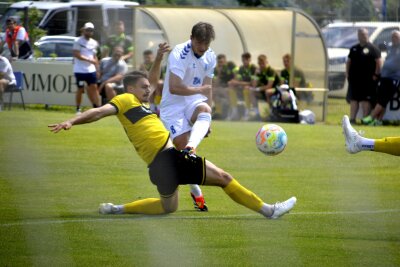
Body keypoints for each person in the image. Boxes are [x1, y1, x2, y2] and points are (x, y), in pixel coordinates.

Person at [48, 42, 297, 219]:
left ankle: (117, 209)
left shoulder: (141, 106)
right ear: (131, 88)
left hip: (158, 167)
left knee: (168, 208)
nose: (149, 90)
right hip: (168, 159)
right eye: (143, 87)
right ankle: (268, 210)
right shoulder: (124, 100)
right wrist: (74, 120)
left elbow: (154, 81)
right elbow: (100, 112)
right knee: (224, 179)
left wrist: (158, 58)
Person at [160, 22, 217, 211]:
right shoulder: (179, 53)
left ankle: (192, 146)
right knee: (182, 150)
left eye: (206, 44)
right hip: (173, 105)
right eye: (200, 43)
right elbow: (174, 87)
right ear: (191, 37)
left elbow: (208, 87)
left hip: (193, 99)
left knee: (205, 112)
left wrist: (207, 119)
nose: (203, 48)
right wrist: (199, 89)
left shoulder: (210, 56)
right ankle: (197, 194)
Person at [361, 30, 400, 126]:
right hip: (385, 77)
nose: (394, 38)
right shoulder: (390, 46)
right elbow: (384, 44)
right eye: (393, 37)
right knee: (382, 100)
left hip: (393, 78)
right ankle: (378, 121)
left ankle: (371, 117)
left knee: (383, 100)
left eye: (396, 37)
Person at [346, 28, 382, 124]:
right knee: (354, 100)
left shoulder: (373, 48)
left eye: (364, 34)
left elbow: (378, 62)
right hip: (355, 79)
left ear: (367, 35)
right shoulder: (354, 48)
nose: (362, 36)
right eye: (360, 34)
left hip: (368, 80)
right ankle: (352, 119)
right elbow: (348, 62)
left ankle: (365, 119)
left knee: (365, 100)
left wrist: (376, 74)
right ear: (358, 36)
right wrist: (347, 73)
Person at [73, 22, 100, 114]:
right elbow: (76, 54)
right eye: (88, 30)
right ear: (83, 30)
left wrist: (97, 68)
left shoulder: (94, 42)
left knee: (94, 88)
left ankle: (96, 107)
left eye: (91, 30)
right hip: (79, 70)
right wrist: (90, 60)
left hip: (91, 70)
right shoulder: (78, 41)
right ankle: (78, 109)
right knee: (80, 89)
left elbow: (95, 56)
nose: (89, 32)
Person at [227, 52, 257, 121]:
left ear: (249, 60)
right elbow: (238, 80)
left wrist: (239, 83)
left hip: (251, 88)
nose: (244, 62)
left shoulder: (253, 68)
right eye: (243, 60)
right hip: (241, 87)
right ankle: (234, 112)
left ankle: (247, 112)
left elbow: (252, 83)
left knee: (247, 89)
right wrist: (233, 82)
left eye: (246, 60)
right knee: (231, 88)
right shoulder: (241, 68)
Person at [139, 49, 164, 115]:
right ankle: (152, 107)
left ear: (152, 57)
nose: (147, 59)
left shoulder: (156, 64)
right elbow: (141, 77)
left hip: (157, 81)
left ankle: (158, 107)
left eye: (148, 57)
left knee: (157, 85)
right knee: (148, 86)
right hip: (148, 82)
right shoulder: (142, 66)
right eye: (145, 57)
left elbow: (157, 76)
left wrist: (144, 69)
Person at [213, 53, 236, 119]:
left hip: (233, 86)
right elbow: (216, 83)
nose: (220, 64)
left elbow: (236, 77)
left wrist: (232, 82)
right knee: (213, 91)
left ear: (225, 61)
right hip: (222, 88)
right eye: (219, 62)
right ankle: (218, 113)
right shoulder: (216, 69)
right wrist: (219, 73)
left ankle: (233, 110)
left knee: (226, 90)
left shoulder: (231, 65)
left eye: (222, 62)